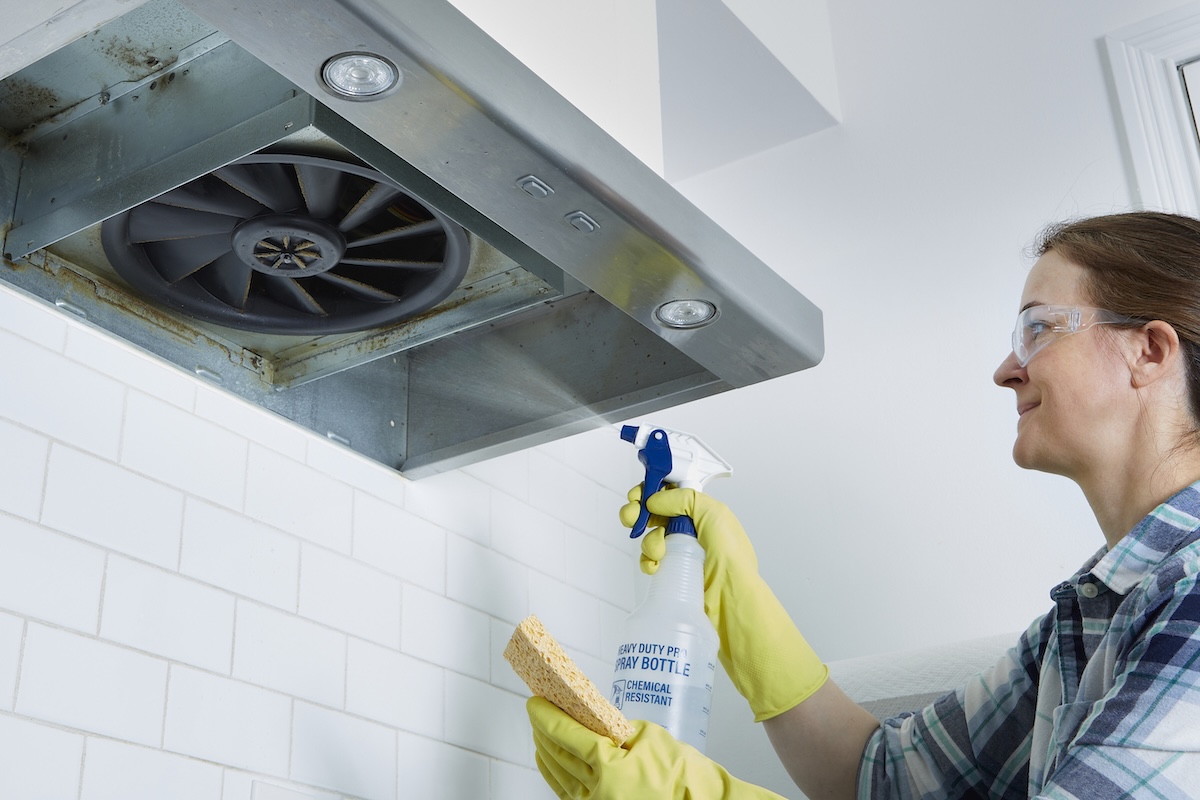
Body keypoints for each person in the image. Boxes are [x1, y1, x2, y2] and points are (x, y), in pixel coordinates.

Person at [525, 210, 1200, 799]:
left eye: (1039, 328)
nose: (1006, 369)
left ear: (1149, 351)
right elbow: (886, 780)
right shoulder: (1090, 616)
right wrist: (736, 600)